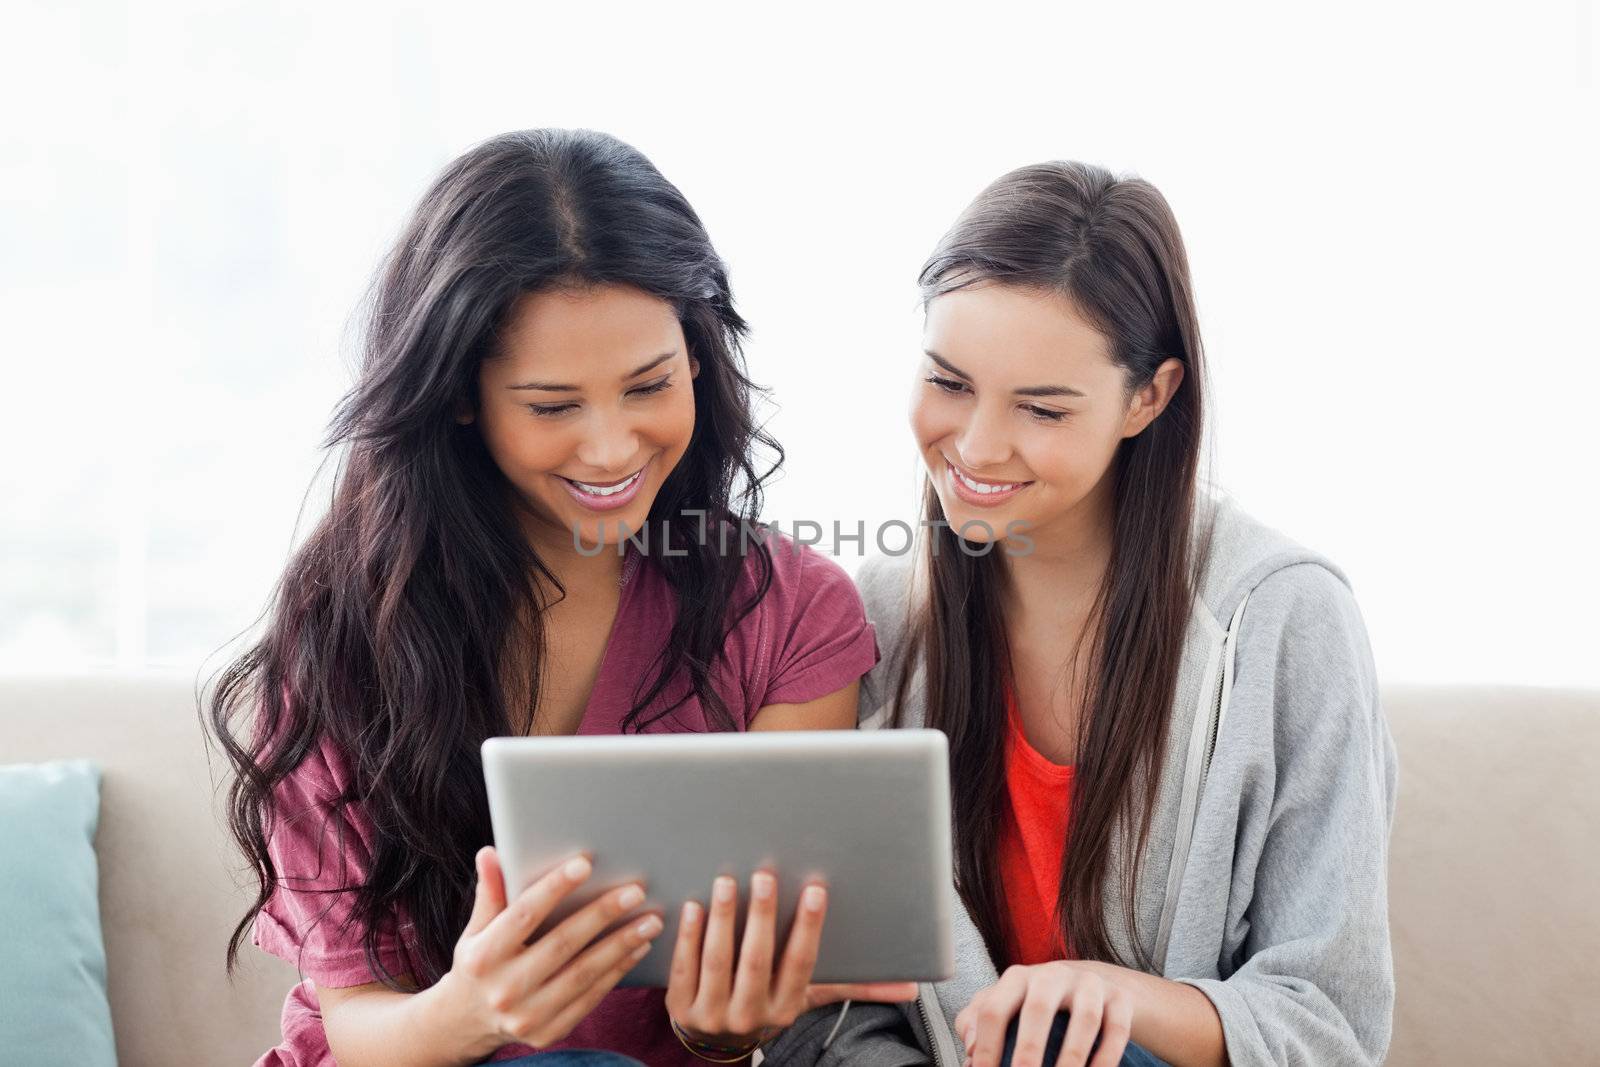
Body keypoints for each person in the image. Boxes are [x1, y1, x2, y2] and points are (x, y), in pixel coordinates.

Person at [204, 128, 910, 1067]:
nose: (612, 448)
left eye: (648, 384)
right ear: (462, 396)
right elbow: (359, 1025)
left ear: (697, 358)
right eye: (552, 405)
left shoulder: (788, 612)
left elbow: (742, 1001)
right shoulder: (349, 634)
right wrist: (474, 1010)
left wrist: (721, 1028)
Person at [759, 161, 1398, 1067]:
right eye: (949, 382)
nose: (976, 446)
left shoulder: (1285, 618)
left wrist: (1120, 998)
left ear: (1150, 396)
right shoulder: (873, 621)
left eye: (1042, 408)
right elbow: (831, 1013)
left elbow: (1331, 1022)